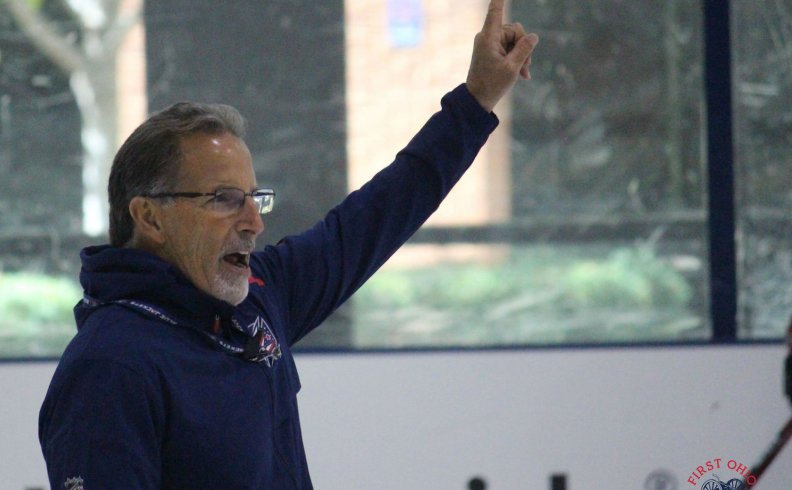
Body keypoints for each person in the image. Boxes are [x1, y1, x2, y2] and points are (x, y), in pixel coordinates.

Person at [38, 0, 538, 487]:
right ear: (150, 216)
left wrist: (474, 102)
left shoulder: (256, 297)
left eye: (255, 198)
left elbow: (377, 215)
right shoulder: (110, 368)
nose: (254, 221)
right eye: (225, 199)